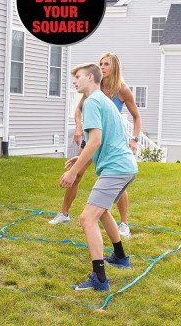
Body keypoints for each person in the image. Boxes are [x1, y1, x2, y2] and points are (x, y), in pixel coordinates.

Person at [60, 63, 137, 291]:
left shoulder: (93, 101)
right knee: (101, 210)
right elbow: (107, 139)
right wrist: (80, 158)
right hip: (126, 166)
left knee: (86, 218)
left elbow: (95, 141)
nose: (75, 80)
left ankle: (99, 279)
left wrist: (73, 173)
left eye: (79, 76)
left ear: (92, 77)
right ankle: (121, 257)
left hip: (116, 168)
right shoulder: (103, 100)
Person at [50, 52, 141, 238]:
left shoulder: (122, 90)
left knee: (115, 180)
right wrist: (78, 127)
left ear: (114, 67)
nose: (102, 67)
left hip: (109, 142)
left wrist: (134, 139)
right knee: (76, 174)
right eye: (100, 64)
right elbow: (79, 109)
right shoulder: (93, 90)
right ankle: (64, 213)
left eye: (106, 64)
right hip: (93, 137)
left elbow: (136, 116)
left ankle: (124, 224)